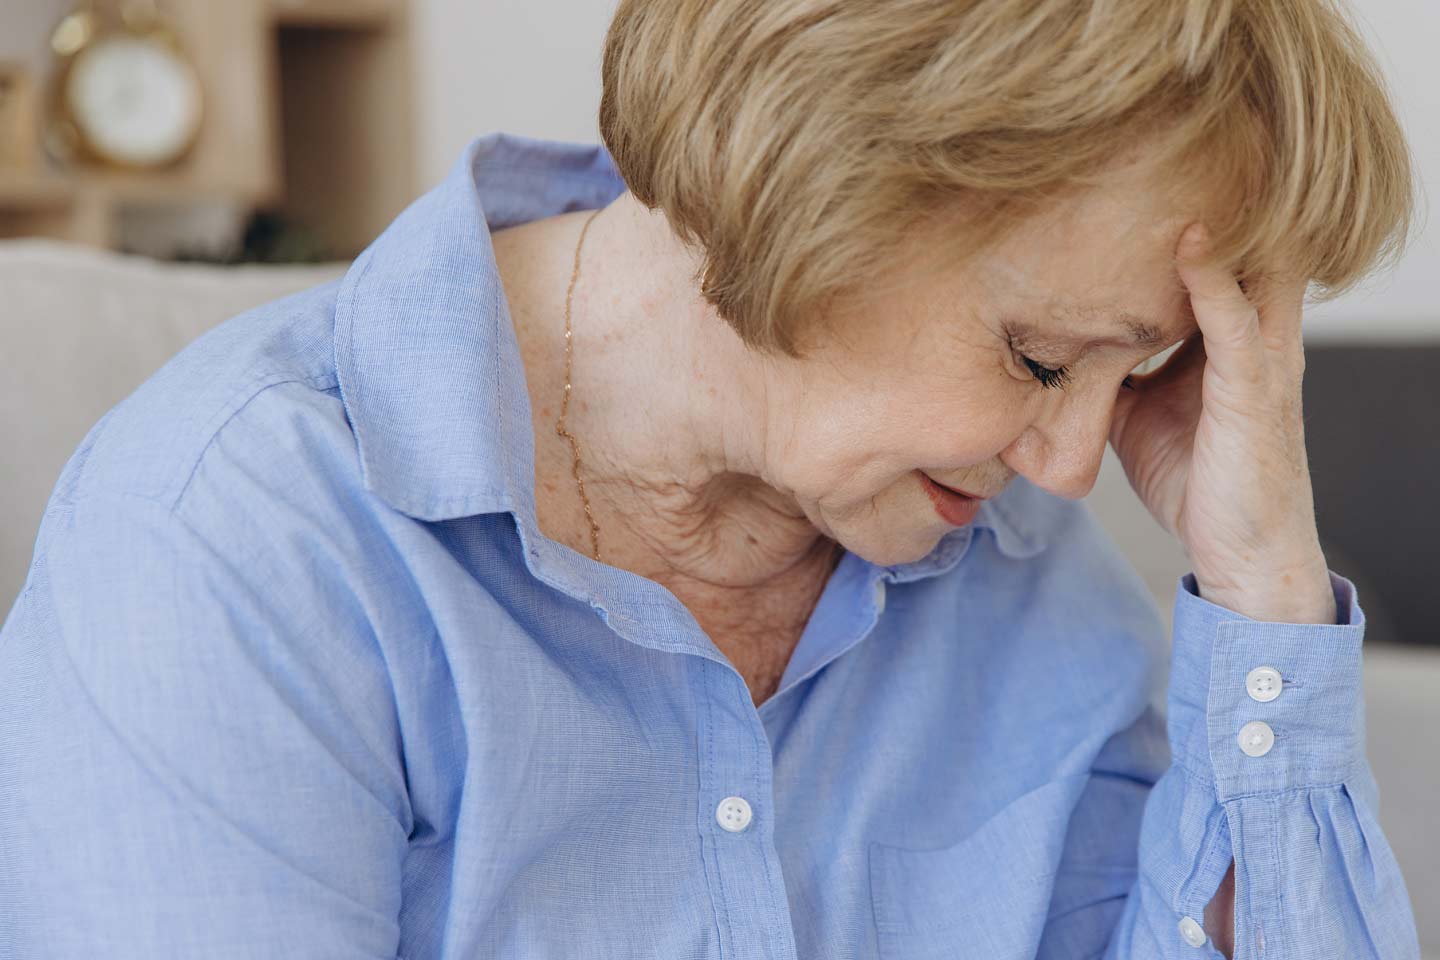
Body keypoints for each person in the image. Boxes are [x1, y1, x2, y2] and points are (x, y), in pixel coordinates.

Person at [0, 0, 1421, 957]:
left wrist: (1267, 593)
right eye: (1045, 359)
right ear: (819, 178)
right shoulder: (237, 540)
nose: (1066, 466)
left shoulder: (1022, 575)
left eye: (1142, 374)